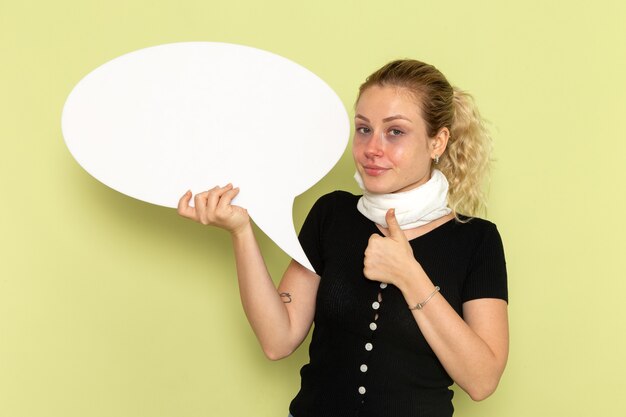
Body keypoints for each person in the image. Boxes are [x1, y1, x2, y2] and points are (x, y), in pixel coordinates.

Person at [177, 59, 509, 417]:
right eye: (364, 129)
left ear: (437, 142)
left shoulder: (477, 240)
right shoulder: (331, 215)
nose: (372, 148)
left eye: (395, 131)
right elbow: (278, 340)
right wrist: (241, 232)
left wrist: (408, 275)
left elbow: (482, 380)